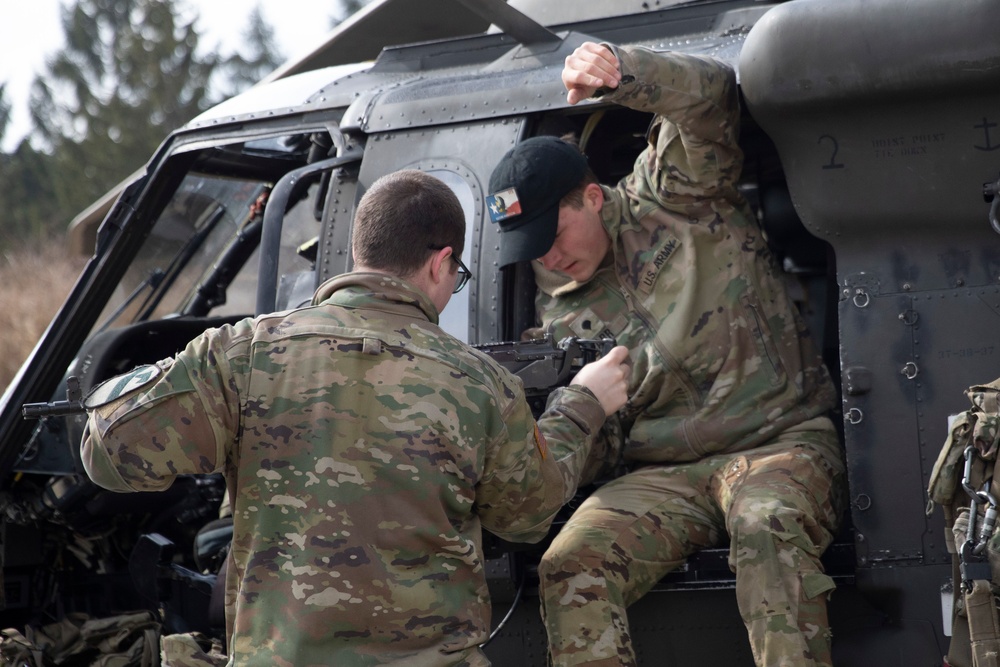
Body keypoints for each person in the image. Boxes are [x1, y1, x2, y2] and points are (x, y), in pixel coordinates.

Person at [80, 169, 630, 666]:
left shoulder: (241, 355)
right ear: (441, 263)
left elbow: (107, 450)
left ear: (358, 252)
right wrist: (582, 404)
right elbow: (527, 514)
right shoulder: (479, 381)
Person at [487, 42, 846, 666]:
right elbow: (602, 451)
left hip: (779, 440)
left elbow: (709, 100)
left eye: (553, 234)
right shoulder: (562, 315)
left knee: (767, 527)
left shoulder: (676, 194)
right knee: (573, 565)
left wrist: (621, 71)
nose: (547, 258)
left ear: (592, 197)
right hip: (663, 477)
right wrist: (586, 410)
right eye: (531, 246)